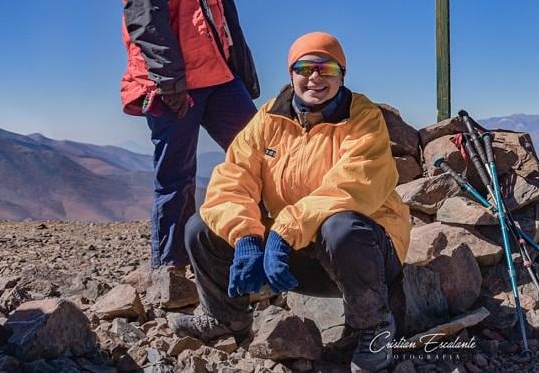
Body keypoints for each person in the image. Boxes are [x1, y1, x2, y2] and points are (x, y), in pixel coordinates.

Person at [168, 32, 410, 373]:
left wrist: (283, 232)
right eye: (304, 68)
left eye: (326, 68)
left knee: (340, 224)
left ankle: (372, 327)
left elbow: (352, 186)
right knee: (202, 226)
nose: (315, 77)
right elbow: (234, 178)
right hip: (289, 256)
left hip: (361, 253)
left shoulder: (363, 119)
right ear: (291, 73)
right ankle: (225, 318)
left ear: (342, 74)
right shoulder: (268, 119)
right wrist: (248, 237)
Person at [117, 0, 260, 269]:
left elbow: (223, 23)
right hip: (174, 87)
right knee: (177, 179)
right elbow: (147, 24)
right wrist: (169, 83)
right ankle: (172, 270)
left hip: (219, 80)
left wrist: (240, 72)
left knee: (260, 153)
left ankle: (267, 244)